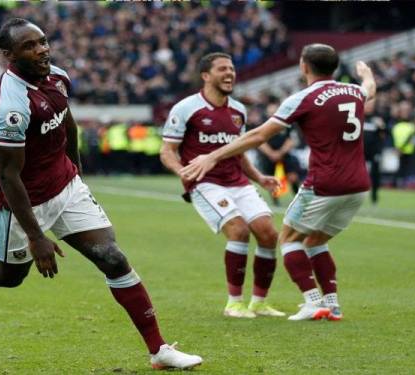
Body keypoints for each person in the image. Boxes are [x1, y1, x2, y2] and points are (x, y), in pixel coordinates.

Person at [0, 18, 202, 370]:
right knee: (8, 277)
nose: (42, 50)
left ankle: (159, 350)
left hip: (64, 184)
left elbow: (68, 123)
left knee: (113, 258)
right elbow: (8, 175)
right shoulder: (8, 106)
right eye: (30, 46)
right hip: (20, 201)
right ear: (9, 55)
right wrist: (36, 237)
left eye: (43, 42)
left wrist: (76, 173)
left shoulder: (57, 76)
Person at [180, 44, 377, 321]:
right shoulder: (355, 91)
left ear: (304, 67)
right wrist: (365, 72)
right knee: (316, 241)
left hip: (324, 183)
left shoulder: (304, 98)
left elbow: (258, 136)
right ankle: (332, 304)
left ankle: (312, 302)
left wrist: (213, 156)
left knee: (288, 239)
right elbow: (370, 88)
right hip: (358, 185)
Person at [160, 52, 285, 319]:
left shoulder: (239, 110)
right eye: (222, 69)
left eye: (231, 69)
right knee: (238, 231)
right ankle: (234, 303)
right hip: (206, 183)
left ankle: (259, 303)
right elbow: (167, 151)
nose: (229, 73)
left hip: (237, 181)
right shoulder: (186, 108)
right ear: (206, 76)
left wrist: (260, 178)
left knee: (268, 233)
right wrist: (184, 172)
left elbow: (238, 152)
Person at [254, 101, 302, 206]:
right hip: (267, 156)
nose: (272, 112)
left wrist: (280, 153)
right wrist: (271, 153)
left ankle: (298, 200)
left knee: (293, 177)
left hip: (285, 154)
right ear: (267, 111)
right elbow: (259, 141)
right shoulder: (261, 123)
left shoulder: (288, 122)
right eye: (270, 110)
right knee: (271, 180)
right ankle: (276, 202)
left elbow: (292, 140)